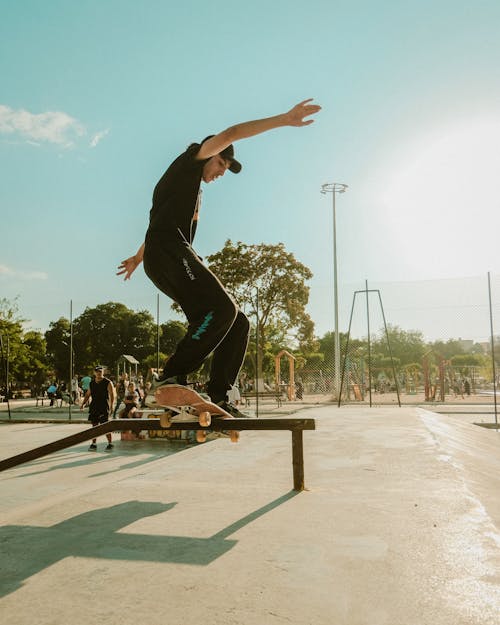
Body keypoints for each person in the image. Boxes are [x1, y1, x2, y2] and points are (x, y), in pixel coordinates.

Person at [117, 99, 321, 416]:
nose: (221, 172)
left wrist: (137, 257)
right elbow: (233, 131)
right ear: (211, 155)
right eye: (221, 165)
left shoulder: (188, 191)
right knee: (224, 307)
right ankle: (171, 377)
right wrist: (285, 119)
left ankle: (220, 395)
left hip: (162, 255)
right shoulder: (191, 161)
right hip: (169, 252)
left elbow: (155, 220)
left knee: (238, 322)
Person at [80, 366, 116, 451]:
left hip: (104, 406)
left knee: (105, 426)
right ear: (94, 373)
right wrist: (83, 404)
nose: (99, 373)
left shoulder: (108, 382)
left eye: (100, 371)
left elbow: (112, 394)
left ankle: (110, 443)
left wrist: (112, 405)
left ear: (103, 372)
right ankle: (94, 443)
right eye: (97, 371)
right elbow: (88, 394)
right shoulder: (91, 383)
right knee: (94, 426)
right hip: (94, 406)